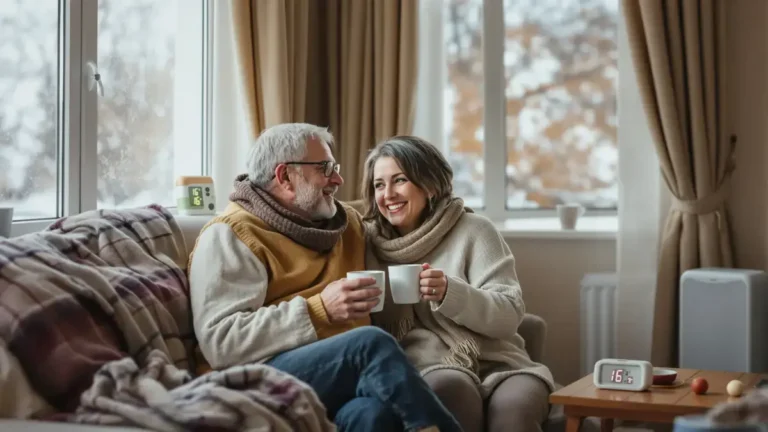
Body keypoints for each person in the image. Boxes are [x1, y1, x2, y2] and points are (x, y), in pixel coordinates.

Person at [187, 124, 462, 432]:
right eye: (325, 168)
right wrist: (320, 309)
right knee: (368, 345)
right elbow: (222, 343)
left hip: (332, 380)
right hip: (254, 379)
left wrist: (456, 220)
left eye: (335, 167)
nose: (338, 179)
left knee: (371, 415)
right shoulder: (231, 235)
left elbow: (406, 227)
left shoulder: (348, 225)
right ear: (285, 177)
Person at [362, 135, 555, 432]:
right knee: (449, 391)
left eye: (399, 180)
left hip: (501, 364)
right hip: (430, 366)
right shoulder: (366, 243)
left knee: (513, 416)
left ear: (430, 184)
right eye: (378, 184)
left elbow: (509, 314)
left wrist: (451, 293)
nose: (388, 194)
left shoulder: (474, 230)